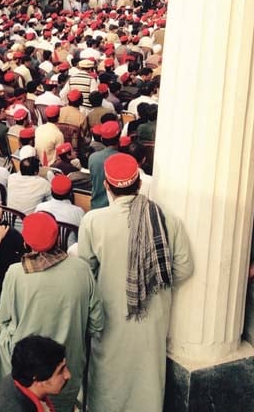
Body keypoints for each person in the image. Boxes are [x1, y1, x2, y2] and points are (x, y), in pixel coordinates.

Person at [78, 153, 193, 412]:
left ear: (107, 186)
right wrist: (152, 279)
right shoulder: (167, 219)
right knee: (147, 382)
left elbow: (85, 272)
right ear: (139, 183)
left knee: (108, 380)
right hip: (152, 319)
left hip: (109, 316)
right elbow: (184, 268)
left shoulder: (93, 221)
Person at [0, 212, 102, 412]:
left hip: (28, 370)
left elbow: (4, 318)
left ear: (26, 242)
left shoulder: (15, 273)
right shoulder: (82, 268)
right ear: (58, 238)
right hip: (69, 369)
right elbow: (97, 323)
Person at [0, 335, 71, 412]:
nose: (68, 375)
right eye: (60, 371)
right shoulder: (14, 408)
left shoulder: (21, 376)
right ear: (38, 379)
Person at [34, 176, 85, 247]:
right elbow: (83, 236)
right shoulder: (78, 212)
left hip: (45, 249)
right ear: (70, 193)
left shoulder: (40, 208)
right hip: (69, 252)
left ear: (51, 191)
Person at [88, 120, 121, 209]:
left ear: (102, 139)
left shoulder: (93, 158)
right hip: (115, 208)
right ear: (119, 137)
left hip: (96, 206)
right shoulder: (123, 159)